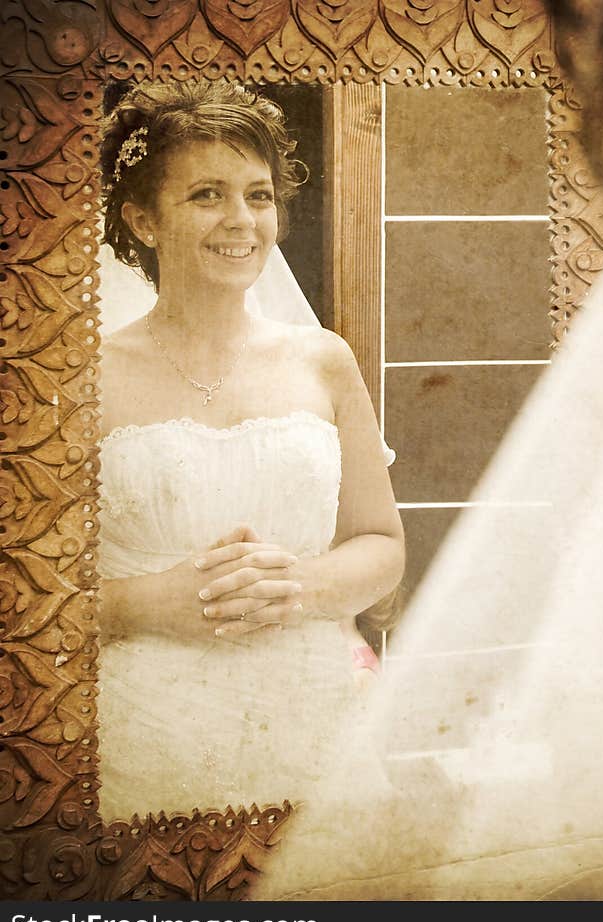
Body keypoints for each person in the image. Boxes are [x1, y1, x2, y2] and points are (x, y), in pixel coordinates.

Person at [96, 79, 405, 820]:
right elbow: (23, 605)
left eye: (259, 195)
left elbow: (382, 545)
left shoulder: (323, 361)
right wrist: (143, 604)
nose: (242, 220)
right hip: (142, 733)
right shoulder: (78, 376)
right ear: (141, 218)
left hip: (313, 728)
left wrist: (299, 587)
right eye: (207, 194)